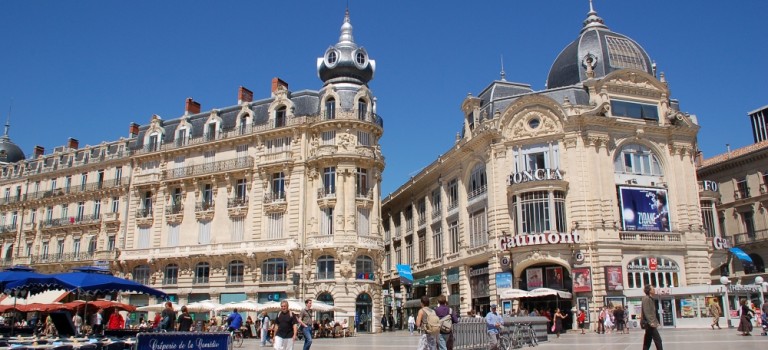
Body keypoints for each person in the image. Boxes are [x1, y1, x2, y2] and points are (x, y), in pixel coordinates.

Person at [640, 284, 663, 350]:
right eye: (652, 289)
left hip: (650, 323)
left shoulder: (650, 298)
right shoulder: (646, 298)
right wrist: (652, 322)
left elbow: (652, 313)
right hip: (649, 323)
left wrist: (656, 322)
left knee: (647, 341)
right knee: (658, 340)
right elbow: (647, 311)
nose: (654, 289)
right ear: (649, 291)